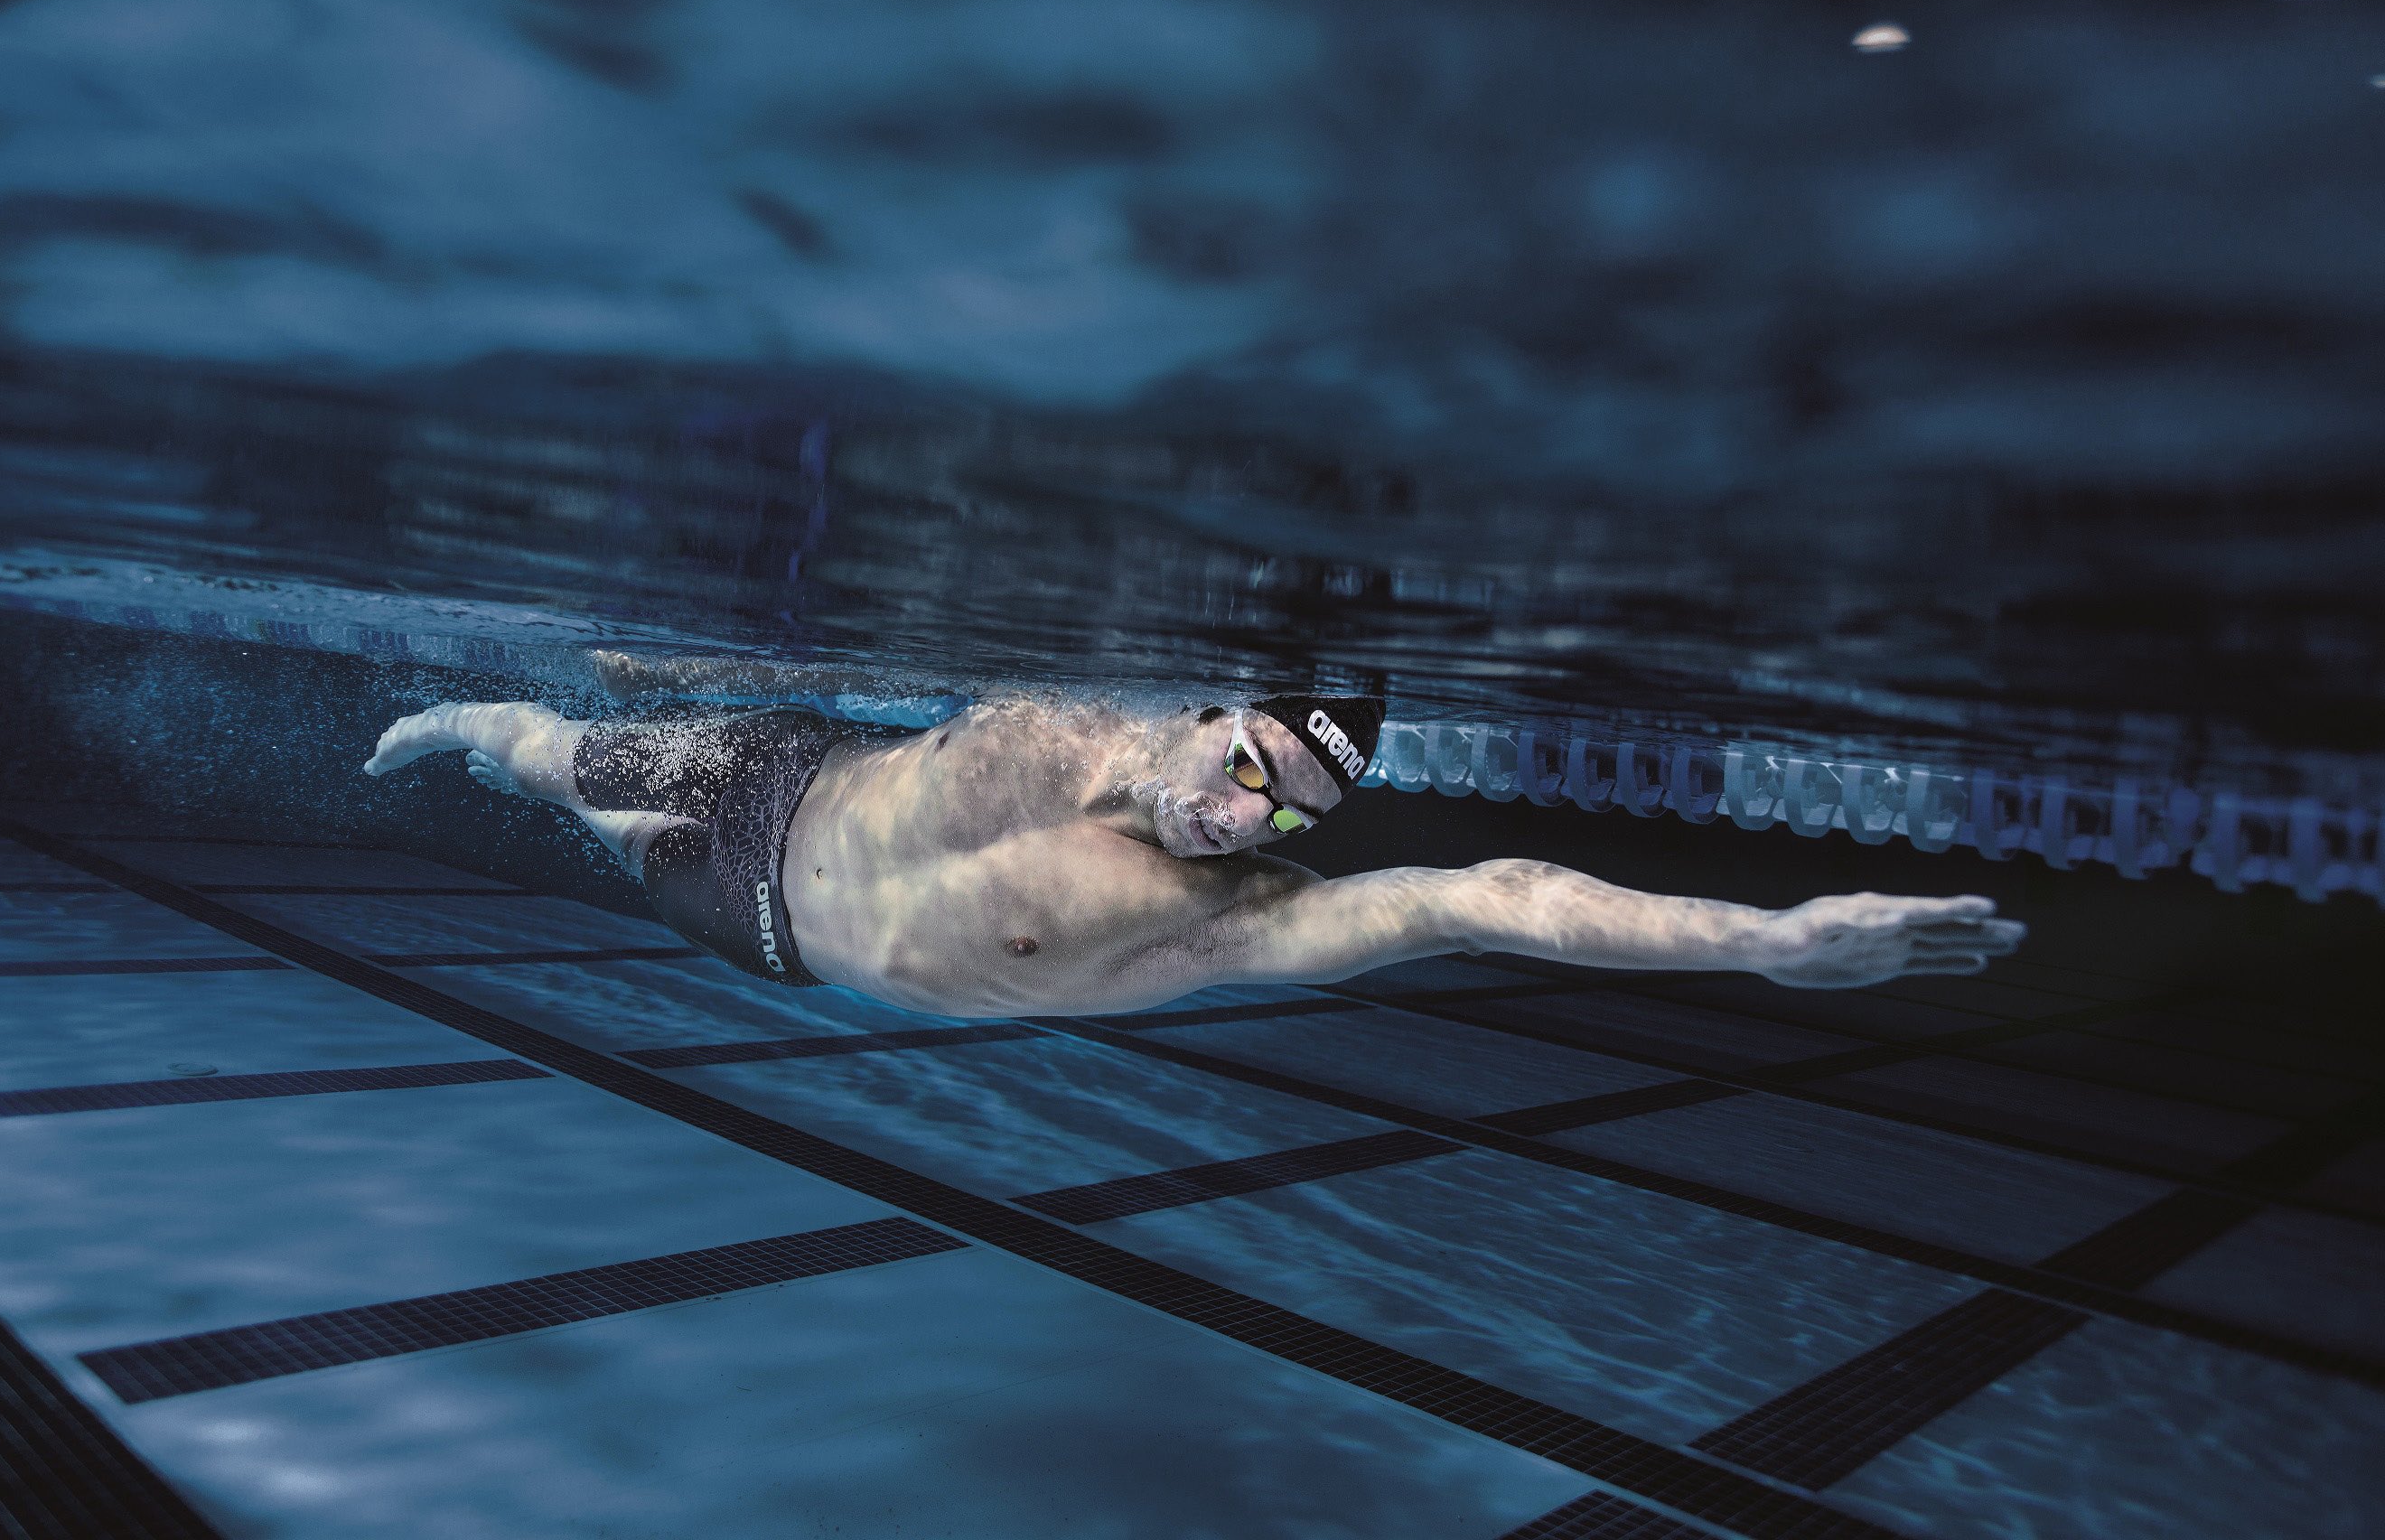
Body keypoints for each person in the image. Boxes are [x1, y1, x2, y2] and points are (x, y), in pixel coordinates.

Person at [362, 668, 2023, 1018]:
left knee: (605, 843)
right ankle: (459, 719)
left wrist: (1761, 935)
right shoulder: (1066, 714)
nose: (1241, 815)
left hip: (774, 935)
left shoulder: (1226, 917)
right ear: (1213, 709)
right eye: (1246, 766)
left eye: (1285, 812)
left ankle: (530, 776)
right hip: (780, 764)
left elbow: (1478, 897)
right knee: (554, 759)